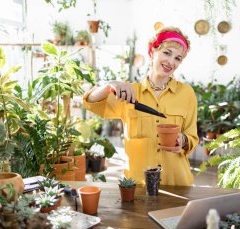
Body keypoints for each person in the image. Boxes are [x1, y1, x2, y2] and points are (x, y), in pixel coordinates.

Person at [83, 26, 198, 186]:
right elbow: (90, 102)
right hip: (138, 185)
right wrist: (110, 85)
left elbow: (192, 137)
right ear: (152, 52)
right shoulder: (129, 92)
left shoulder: (186, 94)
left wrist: (183, 140)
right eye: (167, 53)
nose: (171, 62)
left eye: (178, 58)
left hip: (177, 182)